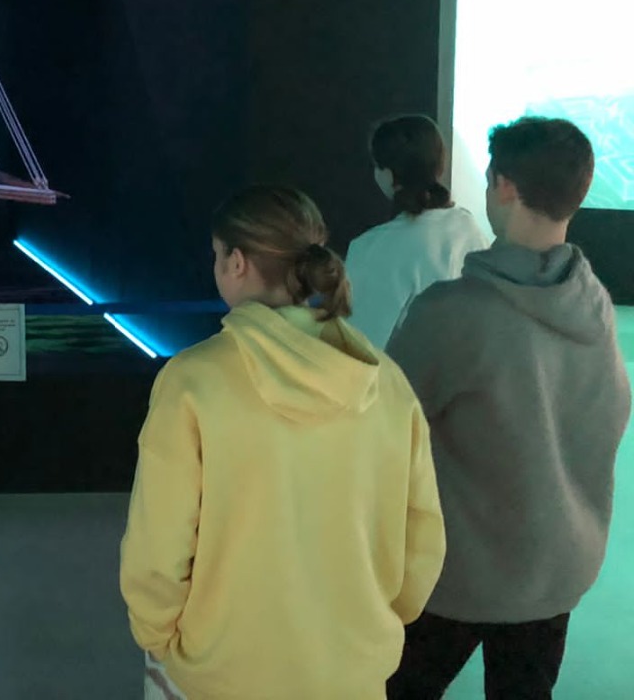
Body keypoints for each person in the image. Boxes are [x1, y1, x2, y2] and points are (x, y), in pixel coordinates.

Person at [120, 185, 445, 700]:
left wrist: (158, 635)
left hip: (222, 674)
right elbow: (422, 534)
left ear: (237, 262)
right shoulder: (385, 381)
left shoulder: (191, 382)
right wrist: (376, 623)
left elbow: (158, 548)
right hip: (352, 672)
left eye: (216, 254)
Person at [387, 117, 631, 700]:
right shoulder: (593, 302)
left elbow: (385, 426)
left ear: (501, 186)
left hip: (459, 575)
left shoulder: (450, 312)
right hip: (558, 569)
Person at [346, 114, 487, 349]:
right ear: (440, 166)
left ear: (388, 174)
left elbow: (361, 343)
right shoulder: (468, 227)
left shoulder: (372, 247)